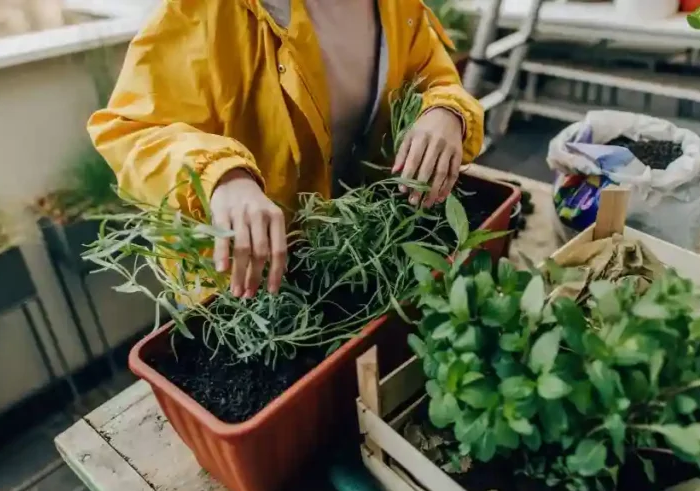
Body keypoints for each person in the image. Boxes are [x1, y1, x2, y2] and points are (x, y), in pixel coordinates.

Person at [88, 0, 484, 299]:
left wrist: (447, 111)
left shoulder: (396, 6)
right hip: (254, 290)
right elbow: (131, 130)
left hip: (363, 253)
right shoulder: (209, 10)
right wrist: (222, 174)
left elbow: (434, 77)